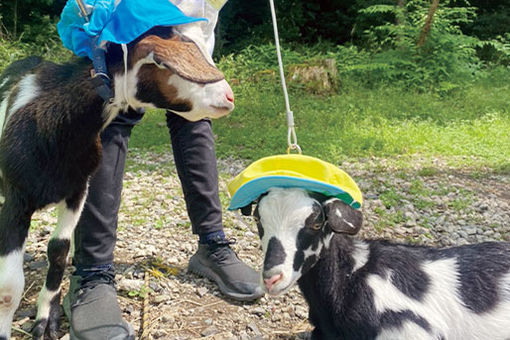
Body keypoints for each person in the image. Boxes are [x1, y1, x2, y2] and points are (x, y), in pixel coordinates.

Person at [61, 1, 263, 339]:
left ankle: (212, 245)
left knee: (196, 112)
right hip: (121, 9)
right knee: (111, 106)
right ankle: (92, 273)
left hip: (188, 9)